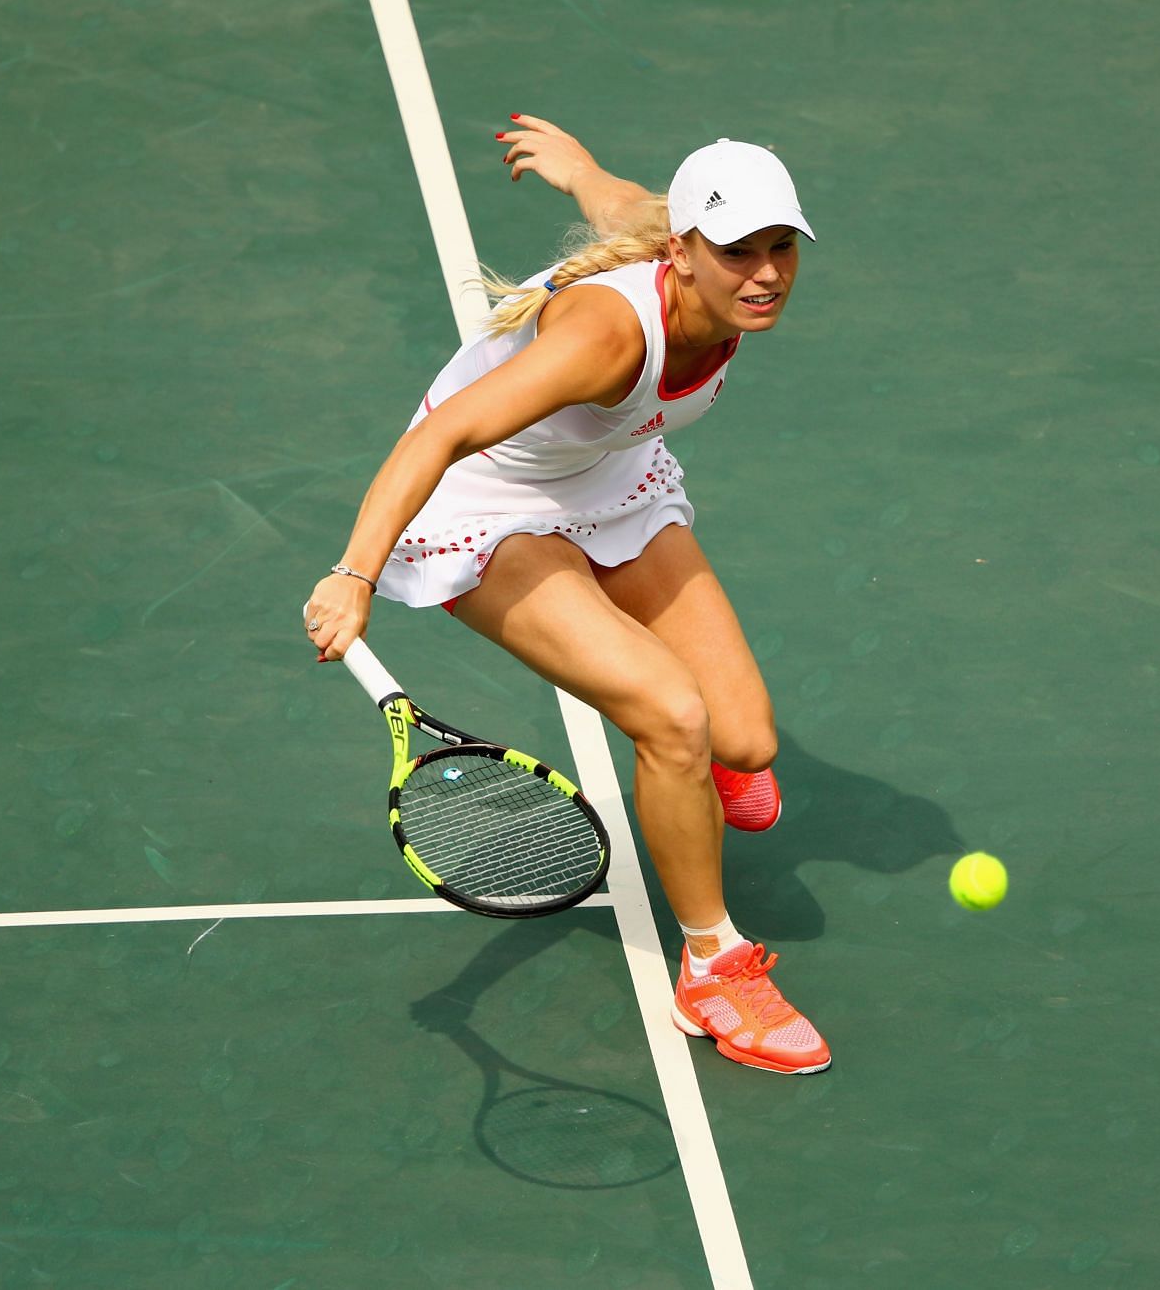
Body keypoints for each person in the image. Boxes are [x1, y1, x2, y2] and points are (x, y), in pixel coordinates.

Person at [303, 116, 828, 1075]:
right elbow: (441, 437)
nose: (764, 273)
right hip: (484, 502)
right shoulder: (604, 337)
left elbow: (617, 202)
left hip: (602, 477)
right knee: (672, 717)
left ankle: (693, 780)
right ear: (685, 253)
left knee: (743, 743)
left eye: (780, 246)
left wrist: (575, 165)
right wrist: (355, 572)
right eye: (738, 251)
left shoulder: (674, 238)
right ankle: (712, 967)